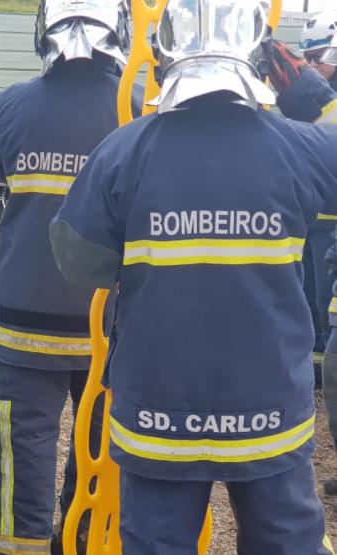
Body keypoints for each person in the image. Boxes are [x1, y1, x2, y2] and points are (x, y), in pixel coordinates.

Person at [50, 1, 335, 553]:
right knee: (287, 542)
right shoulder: (298, 147)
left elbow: (76, 259)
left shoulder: (123, 152)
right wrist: (314, 99)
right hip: (269, 412)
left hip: (159, 417)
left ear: (162, 56)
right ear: (255, 54)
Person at [0, 0, 137, 552]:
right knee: (101, 444)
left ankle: (20, 544)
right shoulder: (138, 107)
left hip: (26, 318)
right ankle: (84, 540)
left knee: (23, 446)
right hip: (109, 321)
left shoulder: (9, 106)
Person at [268, 32, 337, 497]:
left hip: (325, 229)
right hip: (321, 229)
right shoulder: (320, 109)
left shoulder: (323, 116)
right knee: (323, 327)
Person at [297, 11, 337, 370]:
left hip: (333, 224)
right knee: (307, 297)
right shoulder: (303, 96)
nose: (310, 64)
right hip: (308, 218)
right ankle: (316, 370)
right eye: (306, 57)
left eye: (318, 57)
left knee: (327, 301)